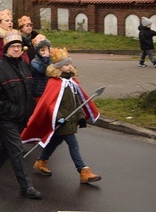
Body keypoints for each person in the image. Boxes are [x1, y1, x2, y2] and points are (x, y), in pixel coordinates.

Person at [0, 30, 41, 199]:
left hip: (22, 116)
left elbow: (29, 89)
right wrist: (10, 111)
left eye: (19, 46)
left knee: (5, 147)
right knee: (16, 150)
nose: (16, 49)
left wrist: (29, 109)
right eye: (12, 46)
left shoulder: (23, 65)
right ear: (5, 49)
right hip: (6, 118)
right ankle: (26, 187)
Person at [23, 48, 102, 184]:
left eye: (70, 64)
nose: (70, 66)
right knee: (73, 145)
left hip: (69, 120)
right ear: (59, 67)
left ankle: (41, 161)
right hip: (61, 121)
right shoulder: (55, 83)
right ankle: (83, 171)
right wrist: (59, 117)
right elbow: (49, 104)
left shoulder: (72, 82)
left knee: (55, 141)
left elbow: (76, 102)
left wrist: (81, 116)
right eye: (66, 64)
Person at [29, 34, 52, 100]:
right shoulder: (34, 62)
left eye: (47, 50)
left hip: (48, 89)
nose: (45, 53)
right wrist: (45, 59)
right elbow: (44, 71)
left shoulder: (50, 60)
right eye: (42, 50)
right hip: (39, 91)